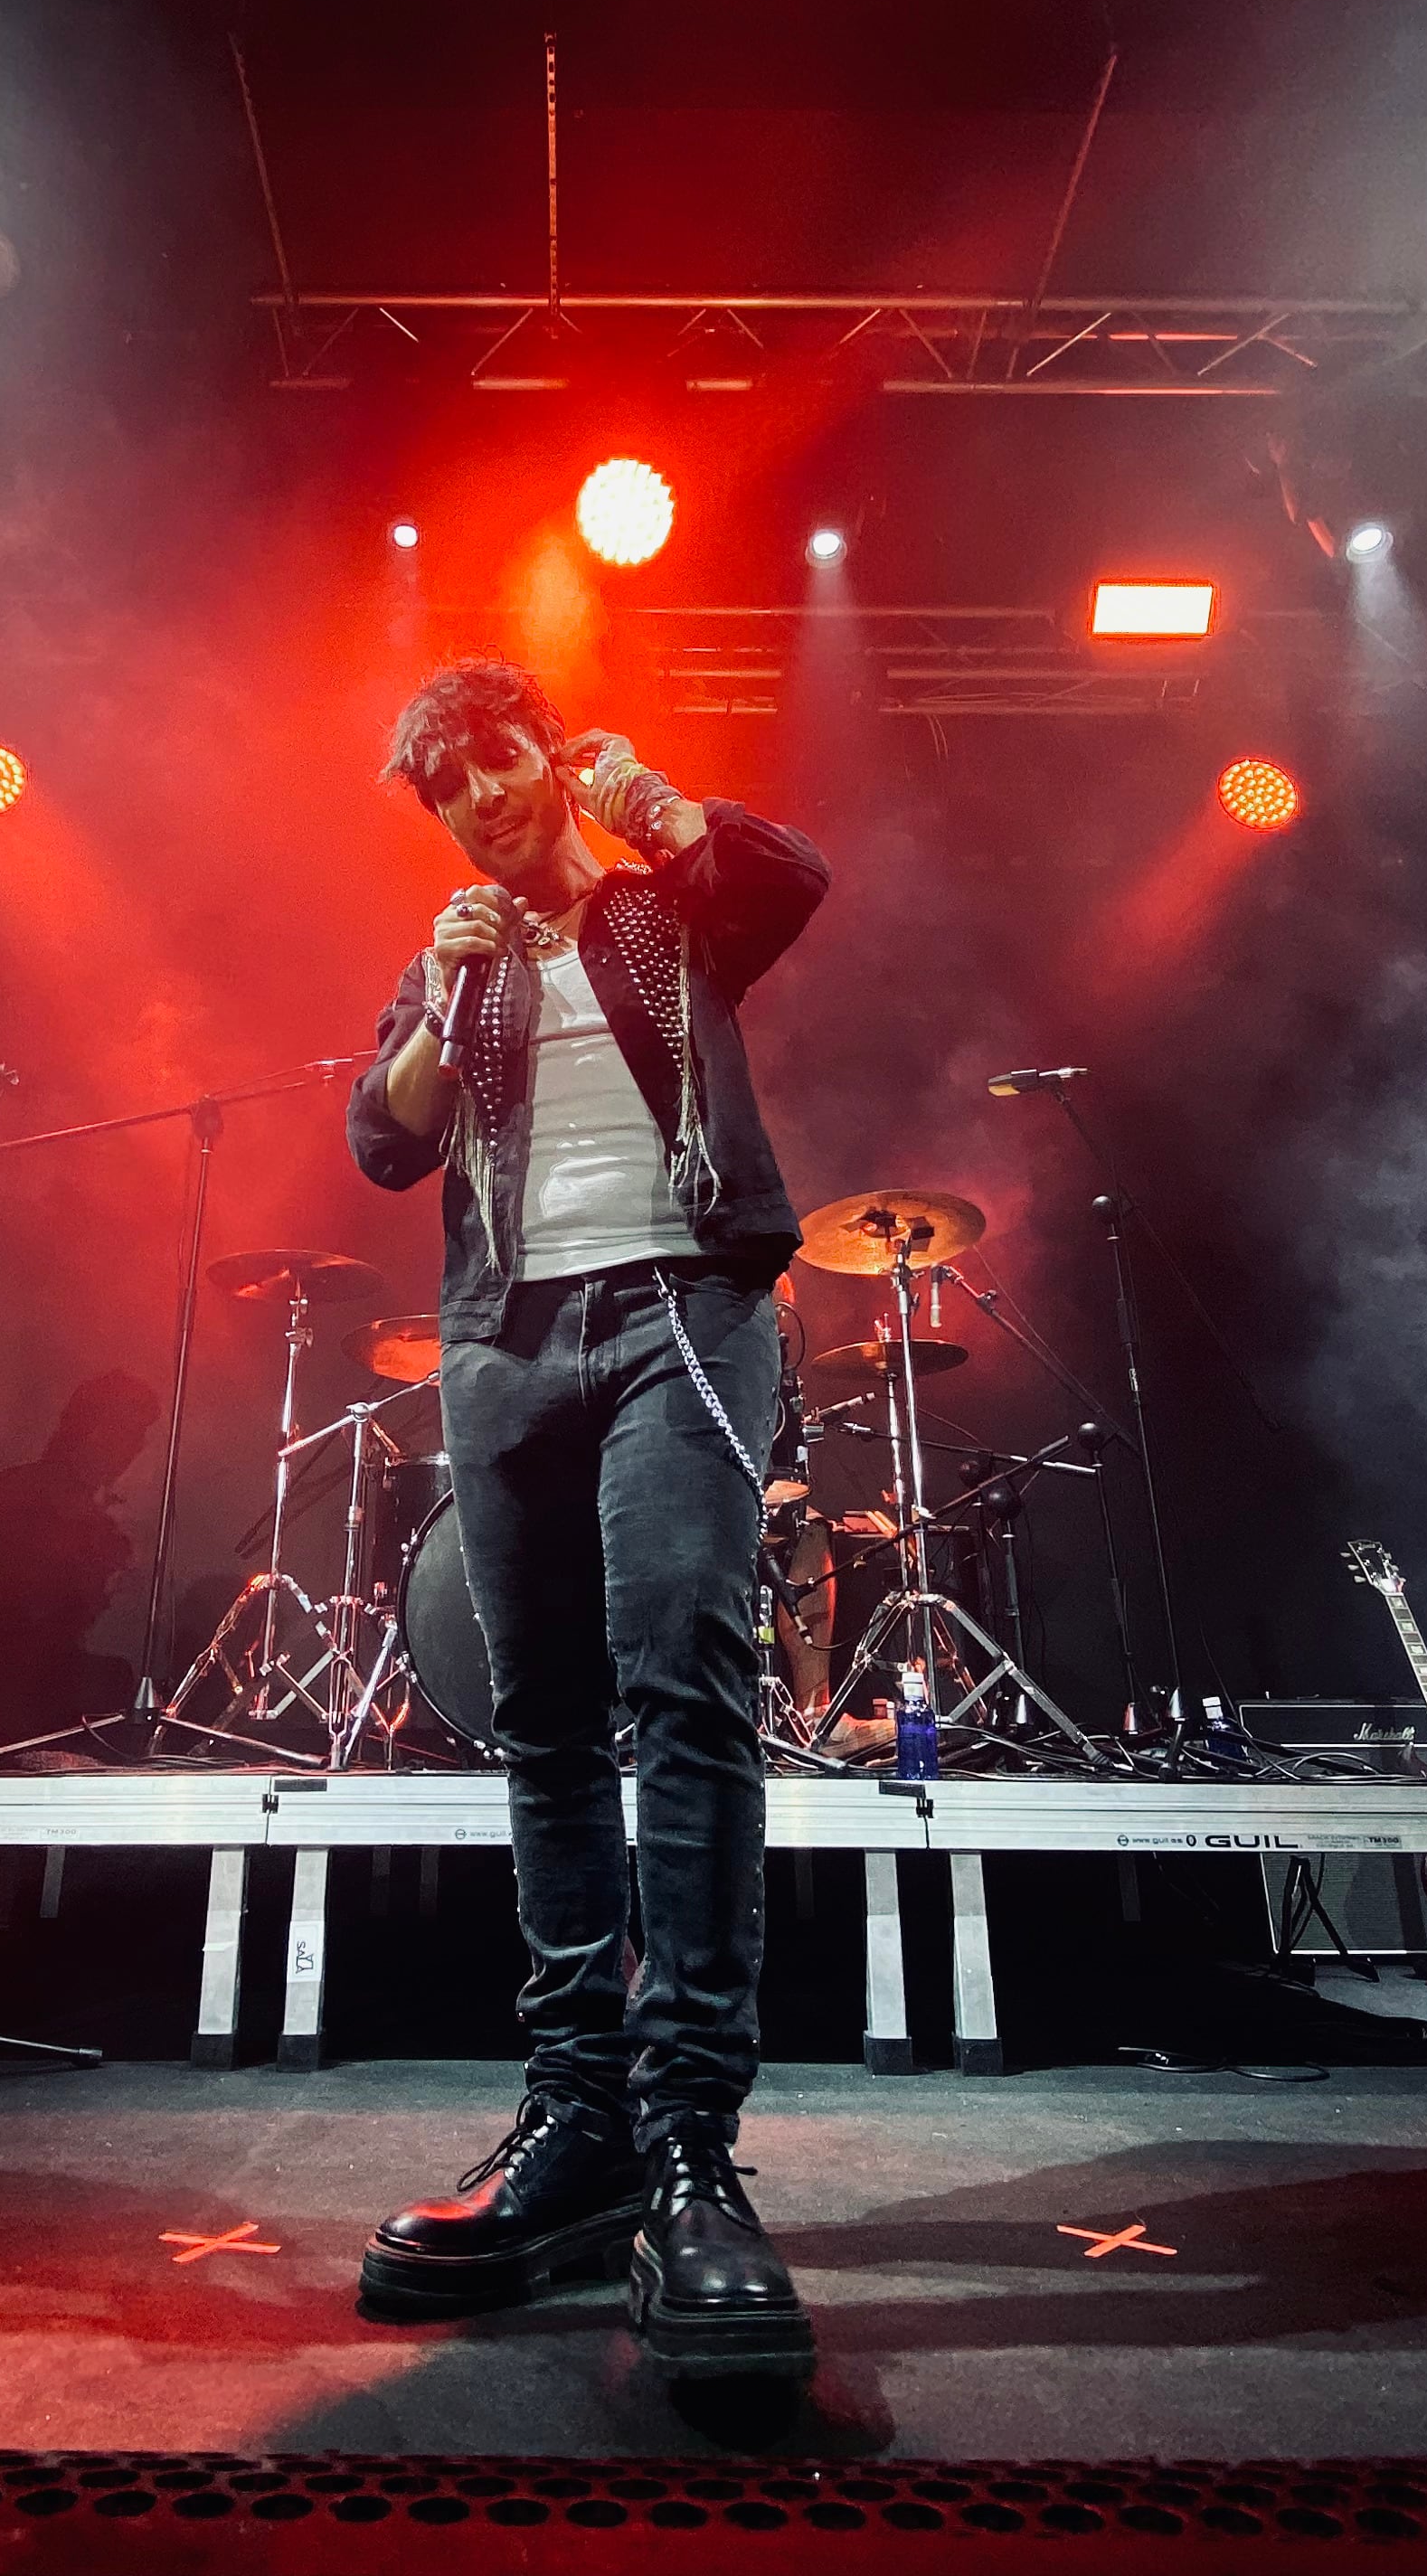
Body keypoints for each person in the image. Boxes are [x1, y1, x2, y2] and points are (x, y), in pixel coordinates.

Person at [344, 659, 830, 2383]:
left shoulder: (658, 910)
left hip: (679, 1309)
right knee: (541, 1724)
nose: (481, 795)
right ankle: (577, 2121)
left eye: (499, 760)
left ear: (549, 751)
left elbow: (785, 882)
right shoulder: (448, 958)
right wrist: (428, 1008)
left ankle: (690, 2135)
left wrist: (667, 810)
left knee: (680, 1684)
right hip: (506, 1340)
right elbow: (382, 1144)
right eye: (449, 783)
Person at [0, 1369, 165, 1742]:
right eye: (127, 1430)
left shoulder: (80, 1504)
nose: (136, 1446)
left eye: (140, 1434)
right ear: (87, 1427)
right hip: (10, 1685)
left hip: (34, 1677)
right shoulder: (27, 1492)